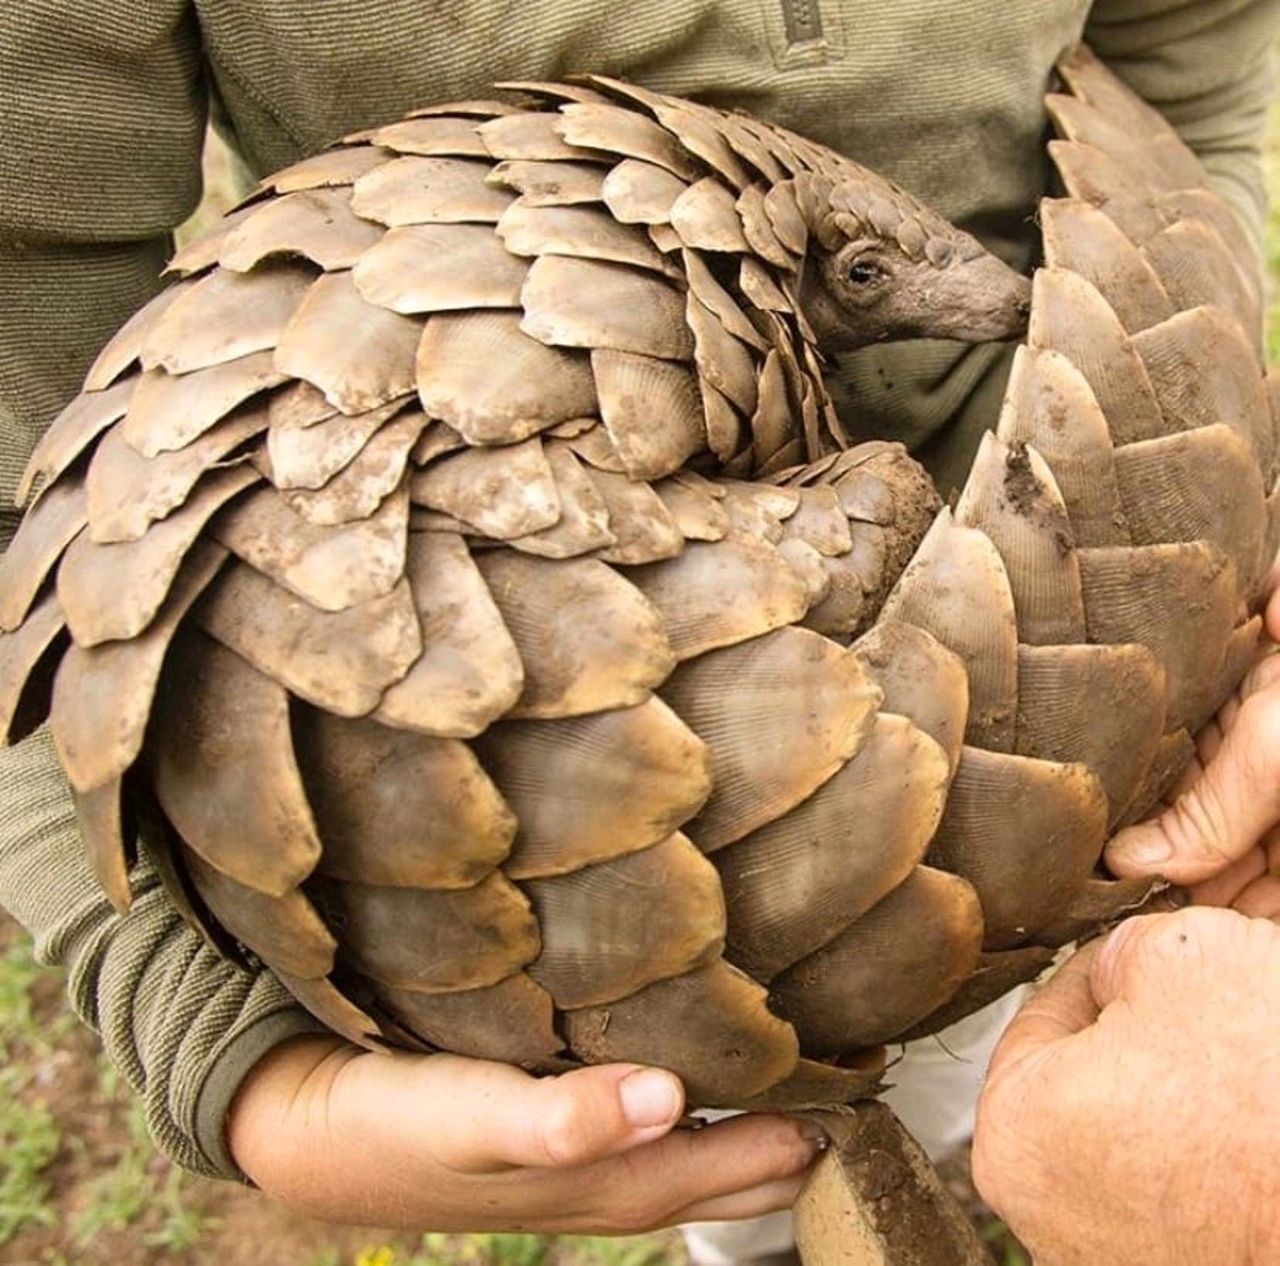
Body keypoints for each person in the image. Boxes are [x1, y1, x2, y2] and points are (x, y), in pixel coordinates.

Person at [1, 1, 1278, 1258]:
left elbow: (1190, 83)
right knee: (730, 1114)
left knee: (996, 1044)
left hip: (1097, 665)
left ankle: (976, 1127)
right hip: (532, 878)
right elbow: (33, 432)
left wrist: (1214, 462)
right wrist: (219, 1042)